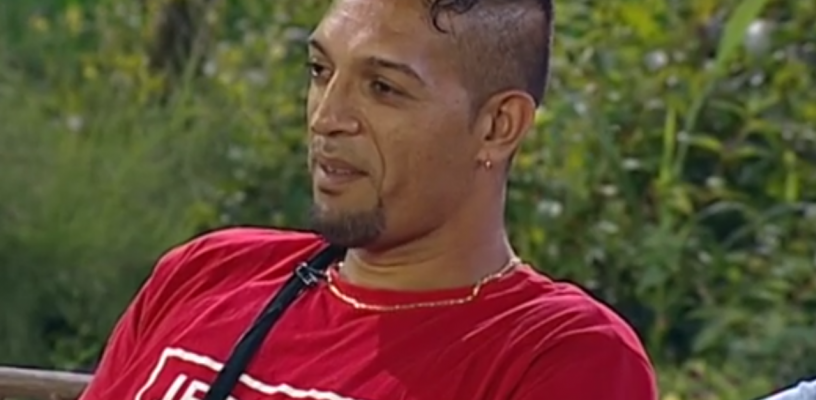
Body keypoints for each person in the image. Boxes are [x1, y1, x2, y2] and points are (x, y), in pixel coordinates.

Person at [78, 0, 657, 399]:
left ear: (497, 126)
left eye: (383, 88)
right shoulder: (204, 275)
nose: (327, 117)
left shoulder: (558, 355)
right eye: (319, 70)